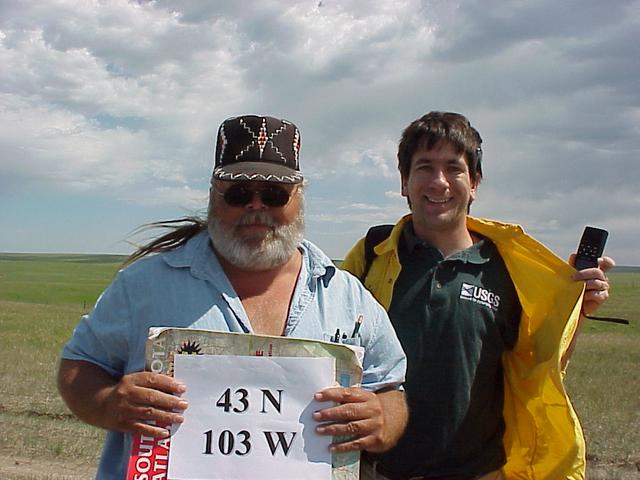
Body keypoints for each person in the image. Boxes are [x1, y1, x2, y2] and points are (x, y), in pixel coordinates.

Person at [57, 114, 408, 480]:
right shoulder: (142, 286)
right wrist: (109, 404)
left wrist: (382, 419)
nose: (256, 207)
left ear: (299, 198)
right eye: (239, 193)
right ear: (213, 196)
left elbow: (390, 390)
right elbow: (79, 367)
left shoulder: (347, 297)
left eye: (274, 194)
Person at [342, 111, 614, 480]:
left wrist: (577, 309)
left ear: (474, 183)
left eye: (454, 168)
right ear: (404, 182)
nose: (439, 182)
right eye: (424, 167)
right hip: (376, 471)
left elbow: (540, 363)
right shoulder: (372, 255)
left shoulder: (507, 270)